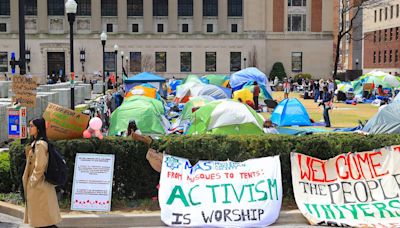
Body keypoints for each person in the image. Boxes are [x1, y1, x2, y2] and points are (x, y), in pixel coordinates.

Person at [22, 118, 61, 228]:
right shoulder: (36, 143)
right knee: (43, 220)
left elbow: (40, 166)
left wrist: (32, 181)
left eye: (32, 126)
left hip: (39, 186)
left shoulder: (40, 145)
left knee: (42, 220)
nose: (30, 128)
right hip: (39, 186)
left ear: (38, 129)